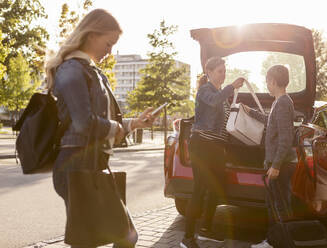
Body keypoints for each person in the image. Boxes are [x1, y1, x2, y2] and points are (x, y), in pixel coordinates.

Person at [45, 9, 156, 248]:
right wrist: (116, 126)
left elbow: (104, 121)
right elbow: (84, 122)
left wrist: (133, 123)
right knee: (116, 237)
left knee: (96, 239)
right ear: (91, 34)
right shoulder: (72, 70)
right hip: (76, 164)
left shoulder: (93, 72)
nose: (110, 51)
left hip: (93, 162)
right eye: (108, 43)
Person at [180, 57, 244, 248]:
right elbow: (215, 102)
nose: (223, 75)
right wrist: (231, 87)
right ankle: (188, 237)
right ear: (208, 72)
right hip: (202, 146)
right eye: (219, 71)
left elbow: (225, 122)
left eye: (224, 71)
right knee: (199, 190)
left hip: (216, 148)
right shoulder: (205, 91)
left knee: (217, 188)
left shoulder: (221, 94)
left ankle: (206, 229)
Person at [248, 65, 296, 248]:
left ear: (274, 81)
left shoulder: (283, 103)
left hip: (281, 165)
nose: (266, 84)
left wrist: (275, 165)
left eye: (267, 81)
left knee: (278, 206)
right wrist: (249, 111)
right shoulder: (280, 101)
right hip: (278, 163)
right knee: (274, 205)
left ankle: (280, 243)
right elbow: (269, 121)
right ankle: (273, 241)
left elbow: (286, 138)